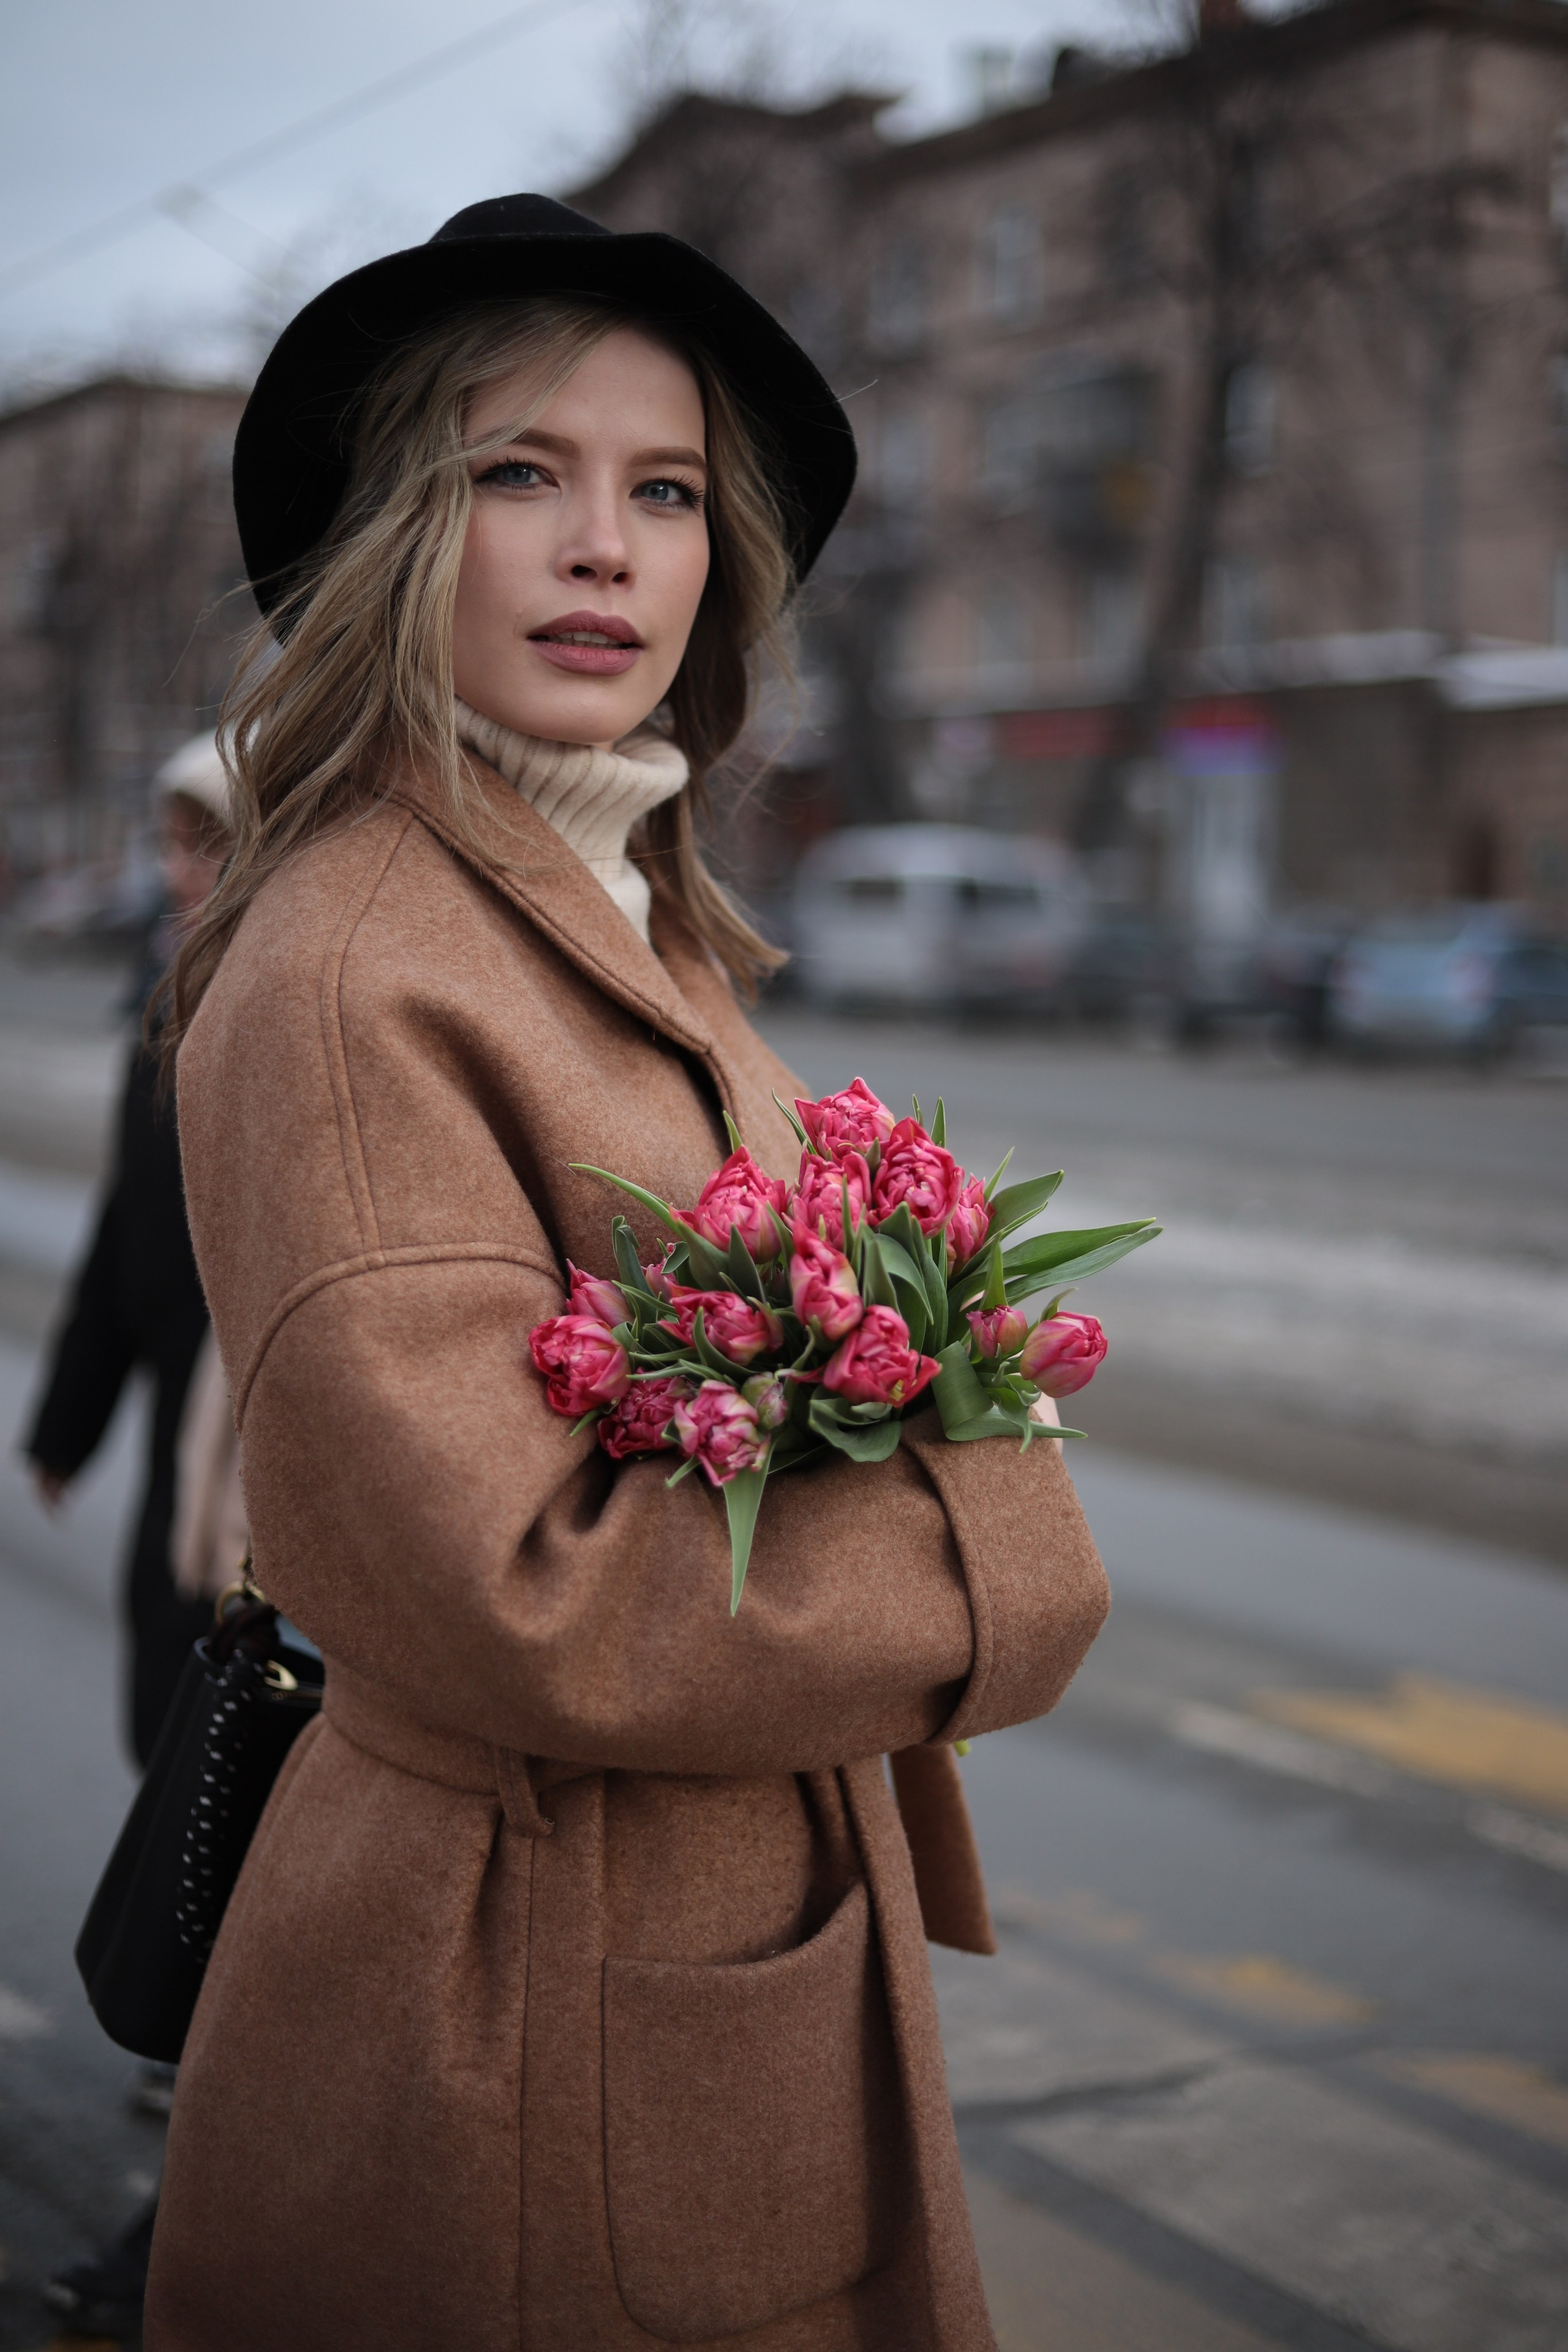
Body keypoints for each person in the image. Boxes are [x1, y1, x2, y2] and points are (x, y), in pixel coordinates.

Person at [143, 195, 1110, 2352]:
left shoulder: (620, 900)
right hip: (529, 1999)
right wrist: (995, 1537)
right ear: (401, 528)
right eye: (520, 475)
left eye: (663, 492)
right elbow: (517, 1584)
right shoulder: (354, 963)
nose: (607, 547)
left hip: (673, 1946)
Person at [25, 736, 236, 1768]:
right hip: (171, 1398)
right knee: (163, 1671)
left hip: (244, 1425)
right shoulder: (166, 1001)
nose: (174, 871)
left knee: (214, 1684)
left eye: (203, 847)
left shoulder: (279, 1012)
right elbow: (124, 1234)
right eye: (169, 844)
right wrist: (69, 1423)